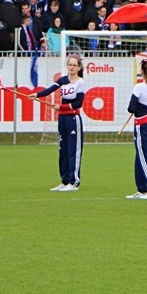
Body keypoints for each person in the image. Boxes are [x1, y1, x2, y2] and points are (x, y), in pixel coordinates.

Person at [35, 54, 86, 192]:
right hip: (62, 119)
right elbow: (50, 89)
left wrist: (61, 107)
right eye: (70, 64)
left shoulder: (80, 82)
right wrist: (37, 95)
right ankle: (64, 180)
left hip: (73, 119)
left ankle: (73, 181)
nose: (72, 67)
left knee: (72, 150)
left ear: (79, 67)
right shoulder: (63, 80)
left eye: (74, 65)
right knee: (62, 150)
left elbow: (78, 103)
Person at [126, 59, 147, 200]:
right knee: (140, 156)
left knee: (144, 157)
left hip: (142, 125)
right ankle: (142, 189)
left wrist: (136, 107)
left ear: (143, 72)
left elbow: (131, 108)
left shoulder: (139, 87)